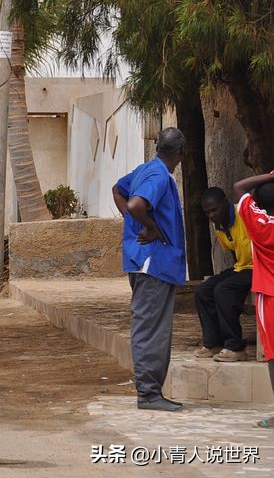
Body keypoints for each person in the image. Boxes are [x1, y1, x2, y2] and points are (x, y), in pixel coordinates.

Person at [112, 127, 187, 412]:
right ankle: (148, 394)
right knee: (151, 329)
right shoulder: (157, 176)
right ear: (181, 153)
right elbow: (134, 203)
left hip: (148, 261)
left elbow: (117, 189)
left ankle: (151, 392)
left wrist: (134, 225)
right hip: (152, 264)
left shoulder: (146, 169)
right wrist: (150, 227)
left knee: (155, 327)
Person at [232, 171, 274, 428]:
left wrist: (270, 174)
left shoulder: (258, 223)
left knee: (273, 355)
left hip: (269, 296)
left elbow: (238, 186)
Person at [194, 187, 252, 361]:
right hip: (242, 267)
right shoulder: (218, 225)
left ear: (225, 203)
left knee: (223, 290)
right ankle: (214, 343)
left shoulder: (243, 213)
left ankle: (236, 347)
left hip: (261, 267)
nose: (211, 215)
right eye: (207, 212)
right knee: (203, 290)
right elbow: (234, 253)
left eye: (214, 209)